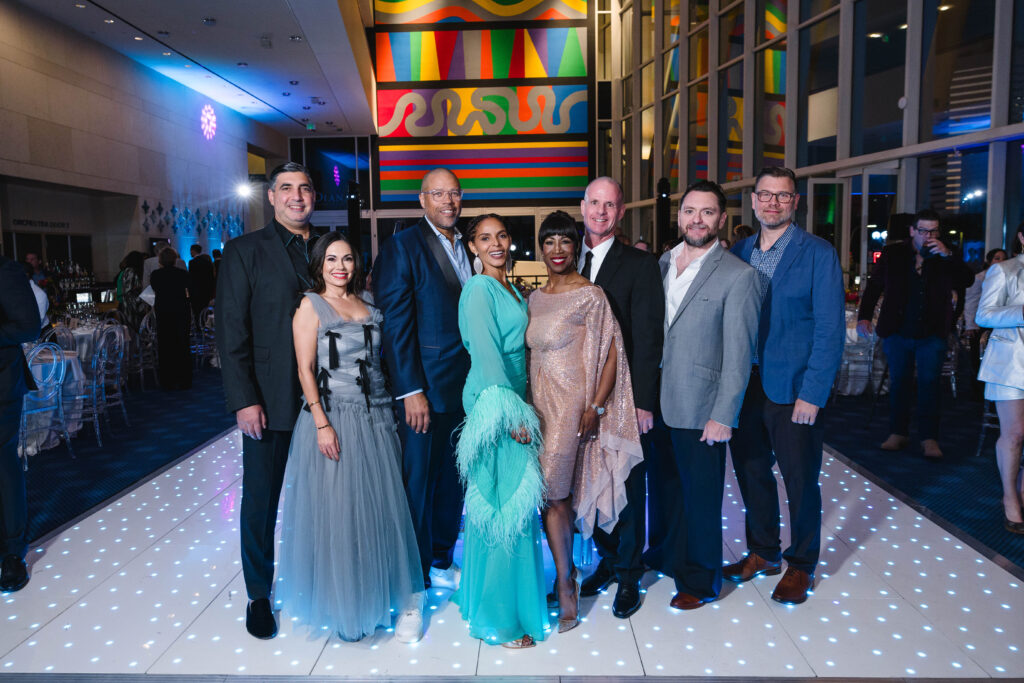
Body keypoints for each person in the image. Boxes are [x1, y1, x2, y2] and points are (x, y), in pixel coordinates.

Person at [276, 233, 425, 642]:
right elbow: (305, 369)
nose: (340, 266)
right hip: (336, 419)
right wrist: (322, 423)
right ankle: (348, 608)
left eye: (346, 259)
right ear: (319, 265)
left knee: (375, 513)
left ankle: (375, 599)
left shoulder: (369, 305)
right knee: (341, 515)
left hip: (377, 417)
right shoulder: (311, 305)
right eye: (331, 259)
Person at [215, 162, 326, 639]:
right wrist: (244, 399)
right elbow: (231, 331)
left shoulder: (329, 250)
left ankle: (325, 580)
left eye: (304, 188)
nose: (296, 196)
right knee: (261, 501)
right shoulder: (244, 251)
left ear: (314, 197)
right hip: (271, 395)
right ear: (272, 198)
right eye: (286, 189)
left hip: (328, 396)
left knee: (326, 496)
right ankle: (259, 594)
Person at [728, 166, 845, 605]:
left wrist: (813, 393)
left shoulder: (817, 253)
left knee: (800, 481)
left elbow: (830, 330)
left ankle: (801, 565)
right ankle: (763, 552)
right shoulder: (738, 251)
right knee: (751, 473)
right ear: (754, 201)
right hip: (745, 386)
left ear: (795, 202)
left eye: (783, 196)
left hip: (793, 388)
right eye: (765, 195)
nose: (772, 203)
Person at [526, 210, 642, 632]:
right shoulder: (535, 298)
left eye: (565, 241)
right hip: (537, 407)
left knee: (558, 495)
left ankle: (564, 586)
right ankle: (565, 574)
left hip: (571, 407)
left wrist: (594, 406)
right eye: (549, 242)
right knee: (547, 497)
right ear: (541, 249)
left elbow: (612, 352)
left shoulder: (590, 295)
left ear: (576, 247)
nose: (557, 250)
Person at [655, 181, 759, 610]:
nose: (697, 219)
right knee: (667, 489)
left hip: (702, 405)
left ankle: (701, 580)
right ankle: (668, 555)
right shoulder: (662, 263)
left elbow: (740, 355)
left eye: (708, 212)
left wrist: (724, 415)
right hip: (657, 401)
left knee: (701, 495)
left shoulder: (740, 275)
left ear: (721, 219)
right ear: (679, 216)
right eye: (690, 211)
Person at [449, 214, 548, 648]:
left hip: (513, 399)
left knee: (510, 504)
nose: (496, 244)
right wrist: (513, 418)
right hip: (495, 406)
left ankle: (500, 600)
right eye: (485, 238)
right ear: (472, 246)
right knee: (502, 503)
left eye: (502, 235)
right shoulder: (478, 289)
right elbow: (487, 355)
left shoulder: (509, 287)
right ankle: (500, 619)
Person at [372, 168, 470, 601]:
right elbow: (395, 326)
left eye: (454, 193)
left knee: (453, 480)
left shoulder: (465, 245)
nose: (448, 201)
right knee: (418, 483)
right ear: (422, 199)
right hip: (424, 393)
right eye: (438, 194)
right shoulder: (402, 247)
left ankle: (441, 558)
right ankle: (412, 579)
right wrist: (410, 389)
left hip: (466, 391)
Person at [575, 177, 664, 619]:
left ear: (621, 212)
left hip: (626, 398)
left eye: (610, 205)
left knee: (627, 484)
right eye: (595, 203)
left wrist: (645, 401)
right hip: (581, 399)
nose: (601, 212)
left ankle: (630, 575)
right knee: (591, 480)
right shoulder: (570, 259)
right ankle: (608, 562)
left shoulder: (639, 264)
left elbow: (649, 338)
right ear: (583, 206)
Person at [856, 208, 975, 459]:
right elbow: (875, 285)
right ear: (912, 231)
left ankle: (929, 437)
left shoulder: (946, 254)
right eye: (923, 230)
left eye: (933, 231)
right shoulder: (893, 253)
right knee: (899, 383)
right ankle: (898, 432)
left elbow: (967, 281)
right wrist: (864, 315)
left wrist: (948, 255)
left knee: (929, 384)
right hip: (897, 330)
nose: (928, 235)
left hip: (932, 332)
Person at [976, 224, 1024, 534]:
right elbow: (984, 316)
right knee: (1016, 433)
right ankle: (1010, 497)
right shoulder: (1005, 270)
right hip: (1011, 362)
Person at [0, 254, 42, 592]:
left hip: (0, 384)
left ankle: (12, 554)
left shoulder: (5, 270)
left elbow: (28, 326)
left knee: (2, 464)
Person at [964, 248, 1008, 398]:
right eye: (996, 258)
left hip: (1001, 322)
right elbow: (971, 302)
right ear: (989, 261)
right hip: (981, 322)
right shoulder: (980, 278)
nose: (1000, 261)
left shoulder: (1009, 277)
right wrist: (970, 324)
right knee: (979, 355)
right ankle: (977, 390)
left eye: (1002, 258)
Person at [150, 247, 192, 391]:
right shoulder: (183, 274)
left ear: (160, 260)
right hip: (181, 312)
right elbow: (189, 291)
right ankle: (184, 380)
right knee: (183, 345)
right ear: (175, 259)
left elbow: (154, 290)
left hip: (164, 313)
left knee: (166, 346)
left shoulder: (155, 275)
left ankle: (167, 380)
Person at [116, 251, 149, 331]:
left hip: (129, 306)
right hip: (132, 309)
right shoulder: (130, 271)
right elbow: (129, 292)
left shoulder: (128, 271)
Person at [187, 244, 216, 326]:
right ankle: (205, 325)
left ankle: (199, 327)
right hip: (206, 290)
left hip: (196, 291)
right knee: (204, 309)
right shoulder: (208, 263)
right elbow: (211, 278)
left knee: (196, 311)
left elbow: (192, 279)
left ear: (193, 251)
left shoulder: (192, 262)